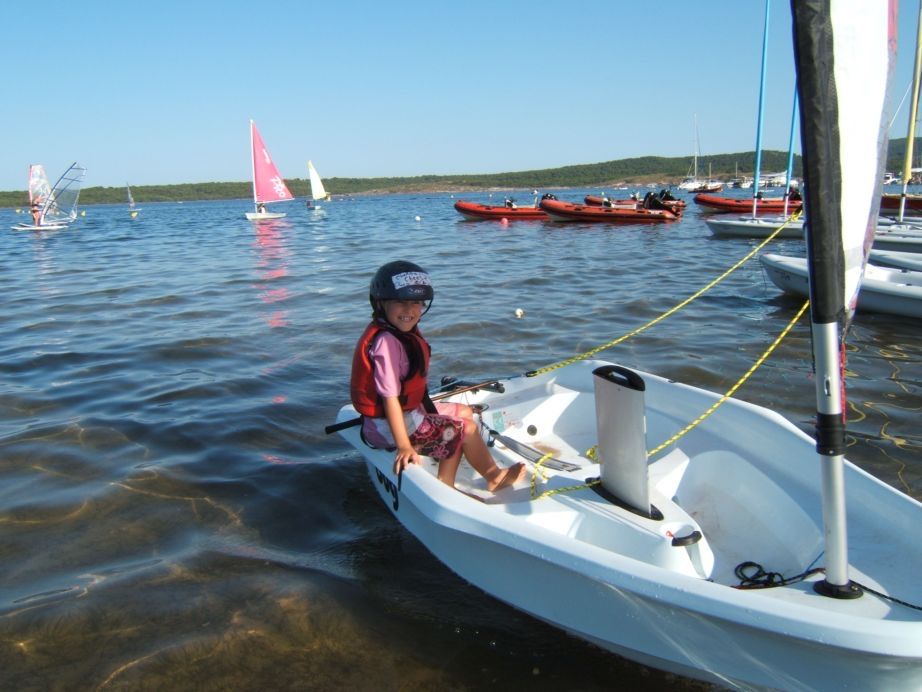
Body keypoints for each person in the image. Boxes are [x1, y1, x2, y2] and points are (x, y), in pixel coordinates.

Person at [350, 260, 526, 495]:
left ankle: (471, 463)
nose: (409, 310)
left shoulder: (401, 334)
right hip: (388, 428)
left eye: (416, 303)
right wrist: (403, 446)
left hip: (409, 414)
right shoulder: (386, 344)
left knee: (464, 413)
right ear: (380, 304)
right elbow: (390, 398)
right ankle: (462, 483)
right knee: (464, 429)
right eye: (400, 302)